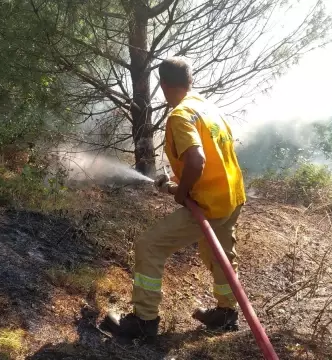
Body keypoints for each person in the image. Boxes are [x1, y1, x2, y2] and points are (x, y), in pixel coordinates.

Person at [102, 57, 247, 341]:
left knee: (149, 246)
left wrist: (181, 193)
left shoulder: (181, 115)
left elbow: (197, 160)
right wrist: (180, 184)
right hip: (232, 197)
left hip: (209, 204)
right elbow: (213, 160)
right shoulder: (208, 108)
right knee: (219, 254)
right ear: (189, 81)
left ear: (164, 84)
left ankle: (144, 321)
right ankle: (226, 314)